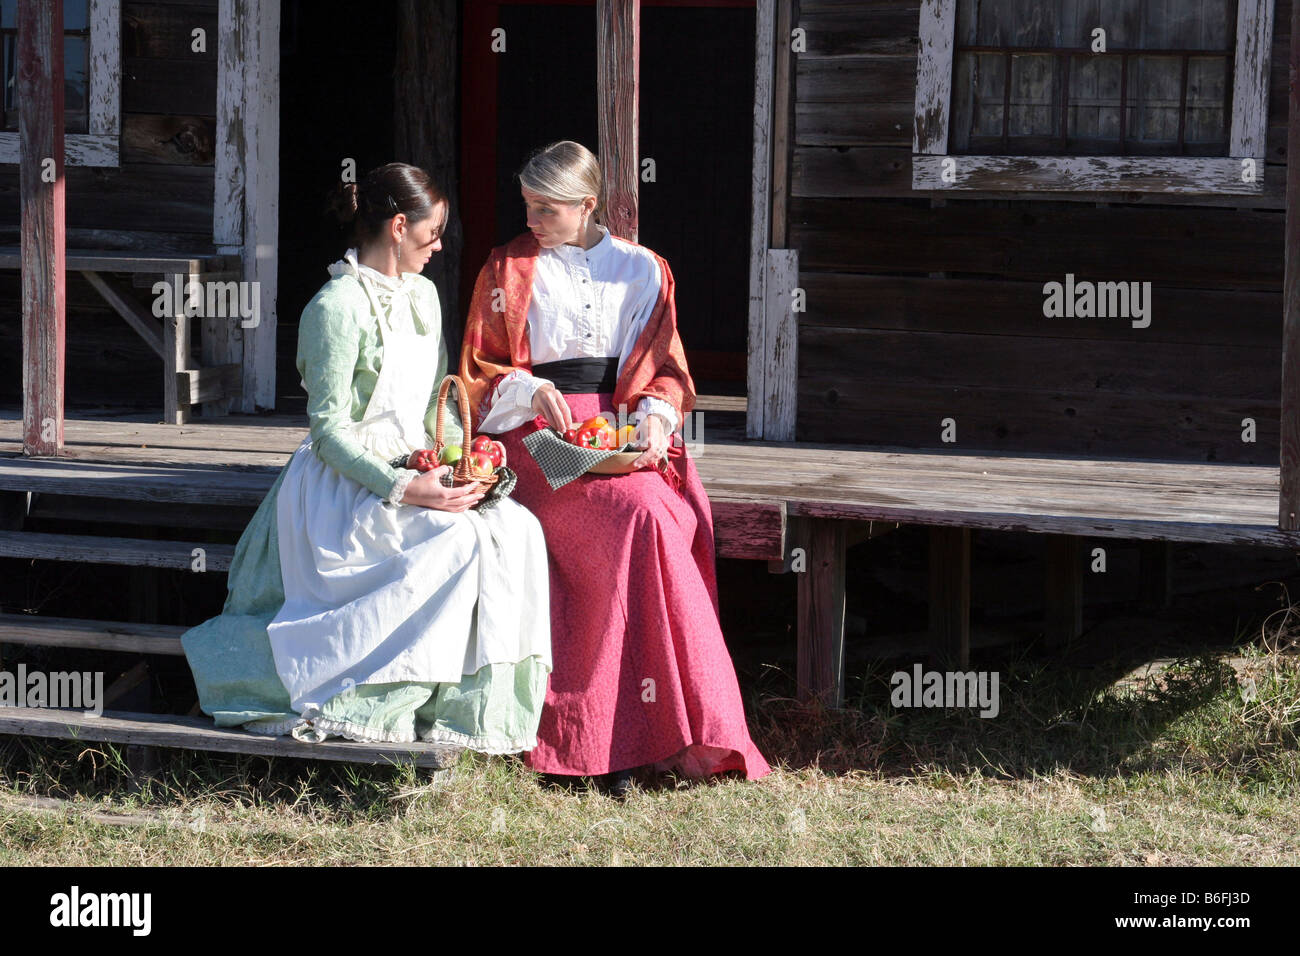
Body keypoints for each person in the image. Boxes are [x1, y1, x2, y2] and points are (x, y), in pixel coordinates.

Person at [181, 163, 551, 761]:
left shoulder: (424, 295)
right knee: (452, 541)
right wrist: (404, 487)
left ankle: (461, 711)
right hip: (348, 481)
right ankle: (381, 699)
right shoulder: (335, 306)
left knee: (518, 529)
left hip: (418, 461)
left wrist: (466, 458)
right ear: (399, 226)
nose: (439, 246)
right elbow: (329, 433)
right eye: (433, 233)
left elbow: (436, 402)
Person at [461, 141, 771, 793]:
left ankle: (662, 735)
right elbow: (478, 370)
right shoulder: (506, 267)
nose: (532, 220)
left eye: (547, 209)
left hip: (622, 430)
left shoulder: (644, 269)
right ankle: (595, 739)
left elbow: (667, 368)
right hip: (536, 438)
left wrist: (656, 419)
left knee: (659, 513)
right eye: (527, 206)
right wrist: (528, 390)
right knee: (633, 515)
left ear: (587, 204)